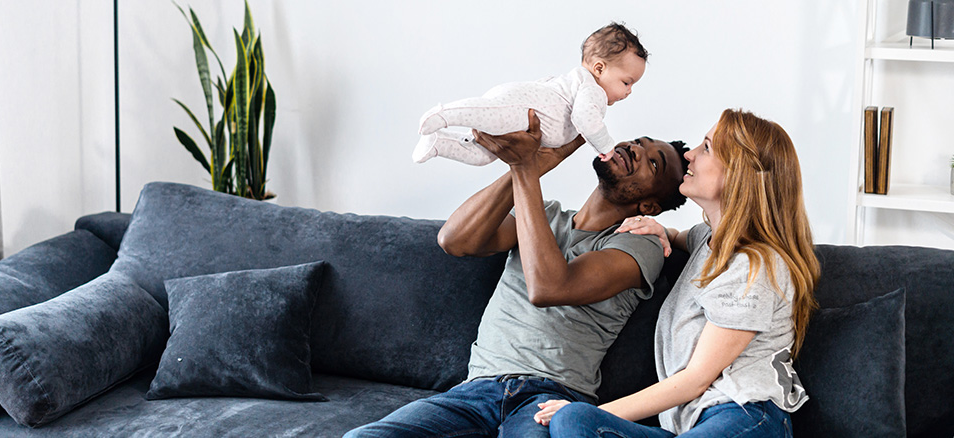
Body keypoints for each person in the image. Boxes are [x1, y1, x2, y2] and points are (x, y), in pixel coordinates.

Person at [345, 109, 689, 438]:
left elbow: (549, 287)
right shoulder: (543, 216)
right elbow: (454, 240)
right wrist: (530, 165)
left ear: (649, 207)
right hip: (474, 392)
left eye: (653, 163)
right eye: (640, 142)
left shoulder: (642, 246)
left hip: (550, 398)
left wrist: (525, 168)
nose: (638, 150)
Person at [533, 109, 820, 438]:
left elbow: (696, 379)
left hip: (745, 417)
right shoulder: (706, 240)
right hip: (691, 427)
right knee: (573, 424)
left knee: (578, 417)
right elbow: (678, 237)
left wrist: (596, 410)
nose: (690, 154)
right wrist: (659, 229)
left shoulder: (754, 265)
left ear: (740, 174)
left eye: (707, 148)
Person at [412, 23, 647, 166]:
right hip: (520, 109)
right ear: (599, 68)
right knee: (488, 116)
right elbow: (585, 118)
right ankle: (444, 115)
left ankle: (438, 143)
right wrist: (606, 146)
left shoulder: (573, 83)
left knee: (484, 155)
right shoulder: (592, 90)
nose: (629, 91)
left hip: (520, 114)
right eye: (627, 82)